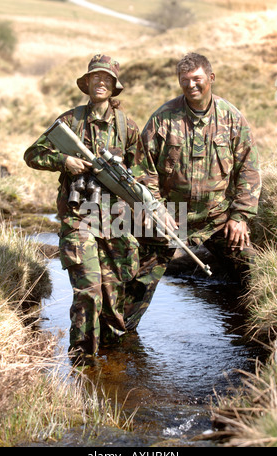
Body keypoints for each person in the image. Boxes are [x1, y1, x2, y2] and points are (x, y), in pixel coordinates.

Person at [24, 54, 170, 361]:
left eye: (106, 79)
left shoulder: (126, 127)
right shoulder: (70, 121)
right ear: (87, 82)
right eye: (95, 78)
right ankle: (81, 361)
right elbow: (32, 154)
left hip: (115, 222)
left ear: (114, 87)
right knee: (88, 290)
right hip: (78, 218)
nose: (100, 83)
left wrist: (155, 208)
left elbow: (144, 173)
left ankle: (110, 360)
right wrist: (63, 161)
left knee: (112, 292)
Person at [141, 52, 261, 286]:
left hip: (217, 218)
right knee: (137, 285)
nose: (190, 85)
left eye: (196, 78)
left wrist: (240, 216)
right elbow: (142, 169)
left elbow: (249, 168)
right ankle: (121, 323)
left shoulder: (232, 118)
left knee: (255, 274)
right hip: (171, 218)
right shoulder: (162, 118)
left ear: (211, 77)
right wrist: (156, 209)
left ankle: (259, 319)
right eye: (184, 80)